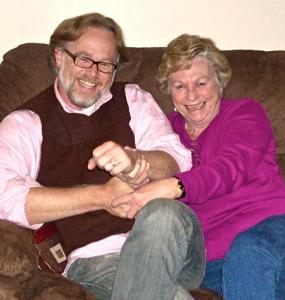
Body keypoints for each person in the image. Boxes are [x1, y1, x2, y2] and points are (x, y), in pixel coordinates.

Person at [0, 14, 206, 299]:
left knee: (162, 213)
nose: (93, 73)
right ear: (59, 56)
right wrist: (103, 196)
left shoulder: (133, 98)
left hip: (175, 245)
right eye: (84, 59)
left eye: (106, 64)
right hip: (96, 261)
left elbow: (178, 159)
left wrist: (136, 160)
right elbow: (5, 198)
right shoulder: (25, 123)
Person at [112, 34, 285, 299]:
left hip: (278, 229)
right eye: (179, 85)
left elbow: (229, 168)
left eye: (201, 83)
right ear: (169, 90)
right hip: (210, 259)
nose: (191, 95)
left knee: (248, 254)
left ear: (219, 82)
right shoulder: (164, 134)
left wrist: (175, 186)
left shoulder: (244, 113)